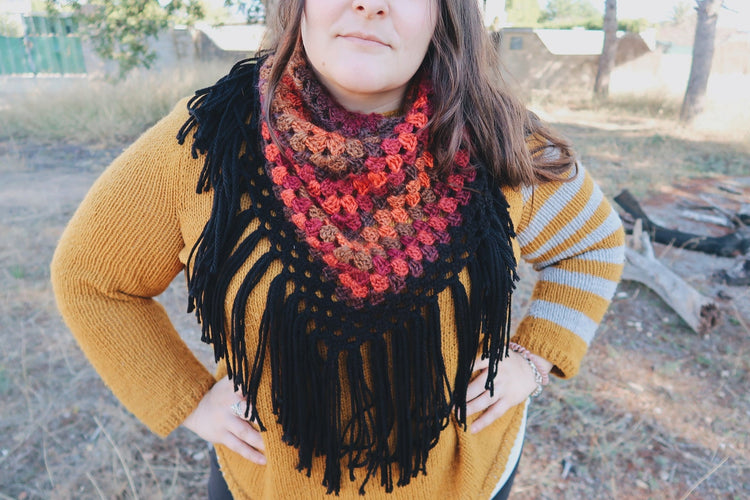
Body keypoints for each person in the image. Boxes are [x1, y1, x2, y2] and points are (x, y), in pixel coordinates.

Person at [51, 0, 625, 498]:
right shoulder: (208, 140)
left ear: (444, 15)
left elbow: (593, 245)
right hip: (264, 483)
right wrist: (187, 398)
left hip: (467, 479)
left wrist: (534, 359)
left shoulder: (498, 137)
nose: (370, 5)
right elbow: (91, 278)